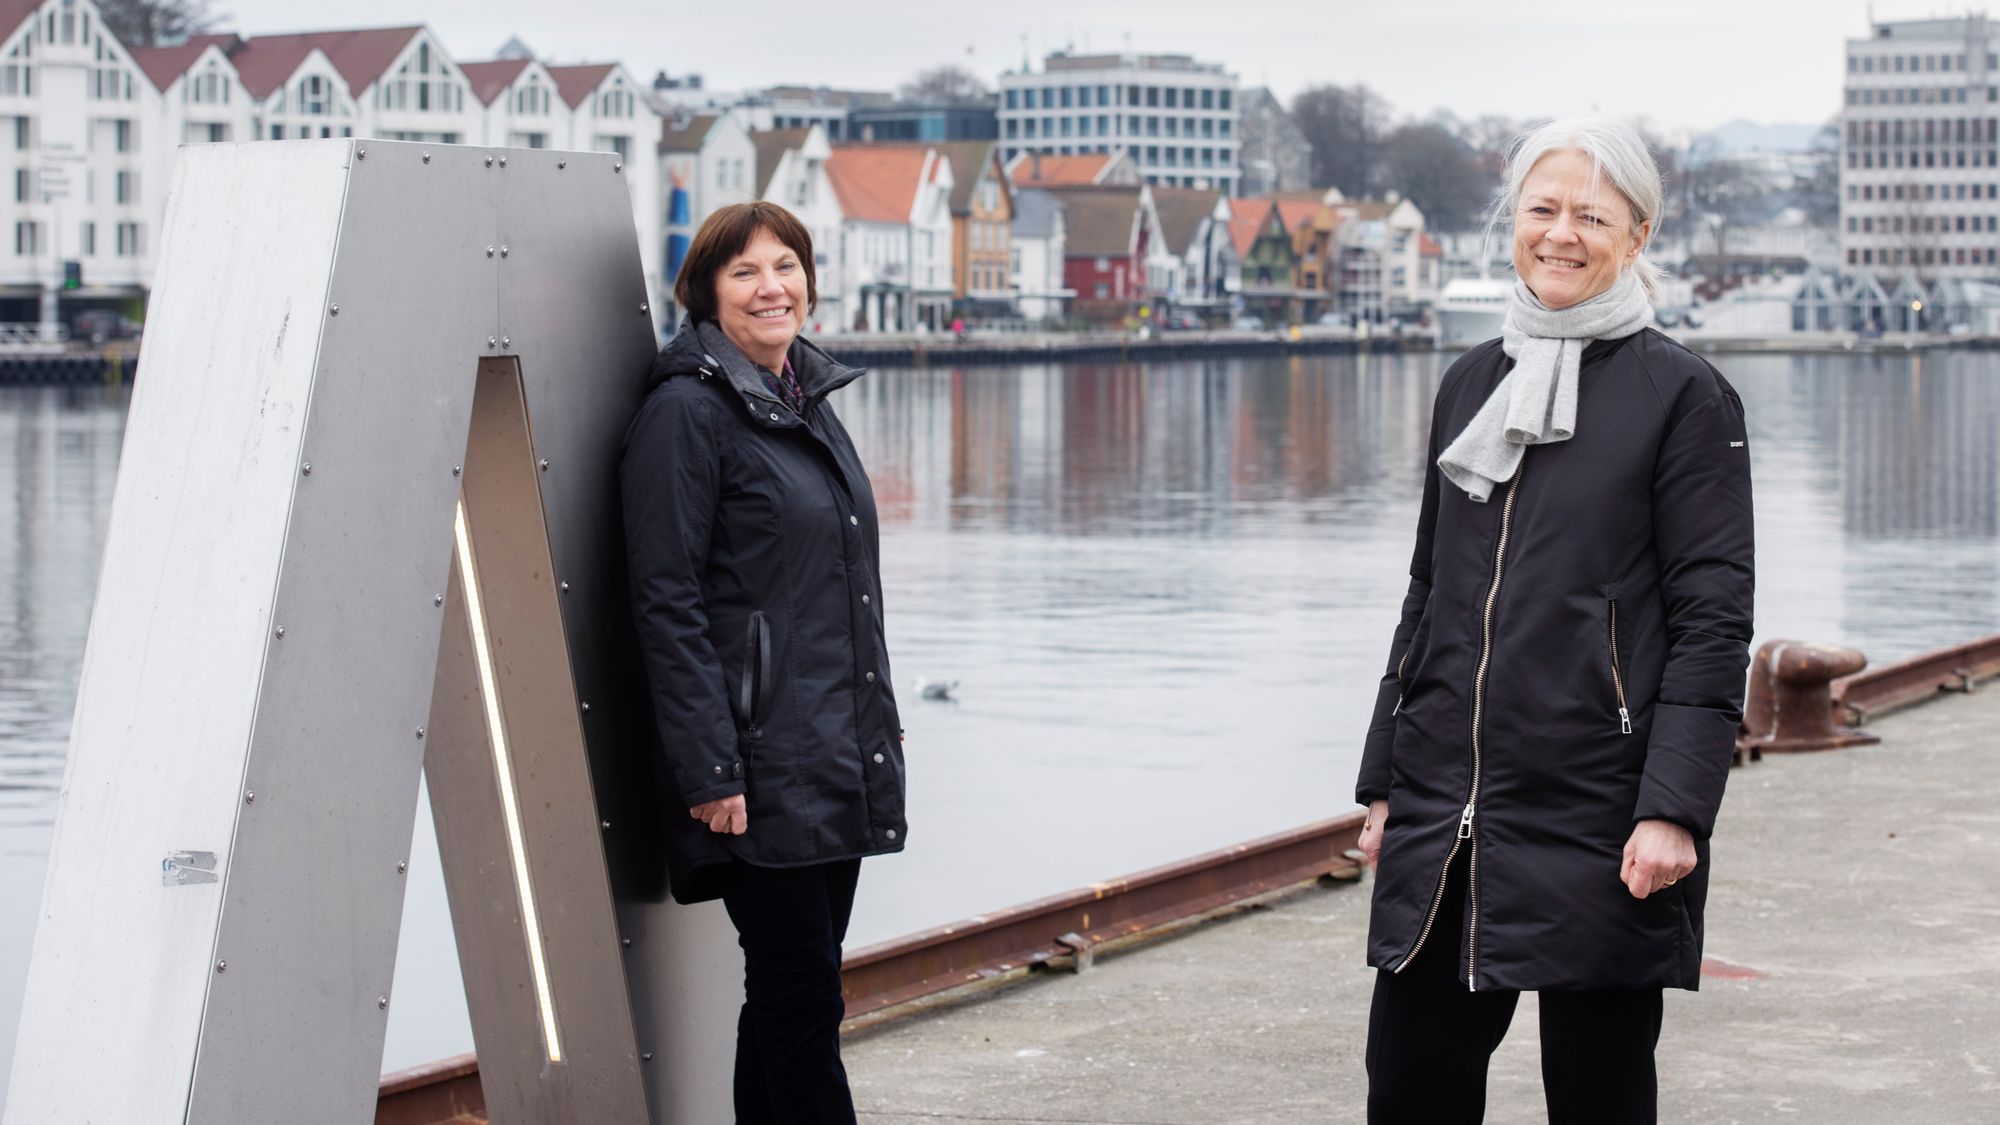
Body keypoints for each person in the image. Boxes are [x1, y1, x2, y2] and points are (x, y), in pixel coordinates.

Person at [1353, 115, 1755, 1124]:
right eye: (1541, 209)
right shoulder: (1469, 384)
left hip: (1601, 811)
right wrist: (1384, 780)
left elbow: (1711, 622)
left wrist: (1674, 807)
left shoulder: (1683, 397)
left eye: (1590, 214)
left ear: (1636, 235)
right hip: (1451, 810)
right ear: (1511, 224)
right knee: (1408, 1089)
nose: (1559, 233)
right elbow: (1426, 595)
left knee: (1597, 1099)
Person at [621, 201, 906, 1124]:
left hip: (829, 753)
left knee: (796, 1000)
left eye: (785, 265)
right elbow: (665, 599)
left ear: (810, 282)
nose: (771, 286)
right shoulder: (687, 415)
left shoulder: (804, 403)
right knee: (799, 997)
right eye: (744, 272)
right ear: (706, 292)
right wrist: (710, 767)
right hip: (754, 764)